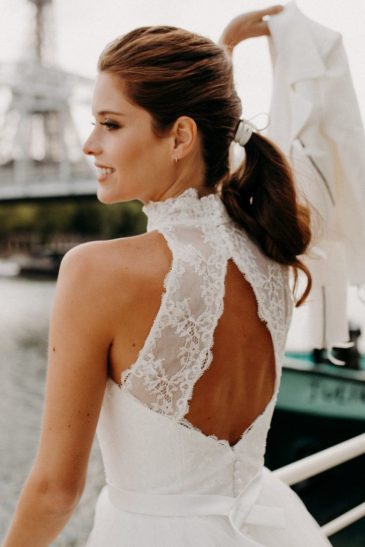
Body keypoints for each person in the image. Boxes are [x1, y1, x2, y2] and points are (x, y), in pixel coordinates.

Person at [3, 6, 332, 547]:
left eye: (110, 124)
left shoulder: (95, 272)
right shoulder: (267, 247)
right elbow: (207, 150)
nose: (89, 144)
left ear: (181, 137)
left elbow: (56, 492)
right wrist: (218, 58)